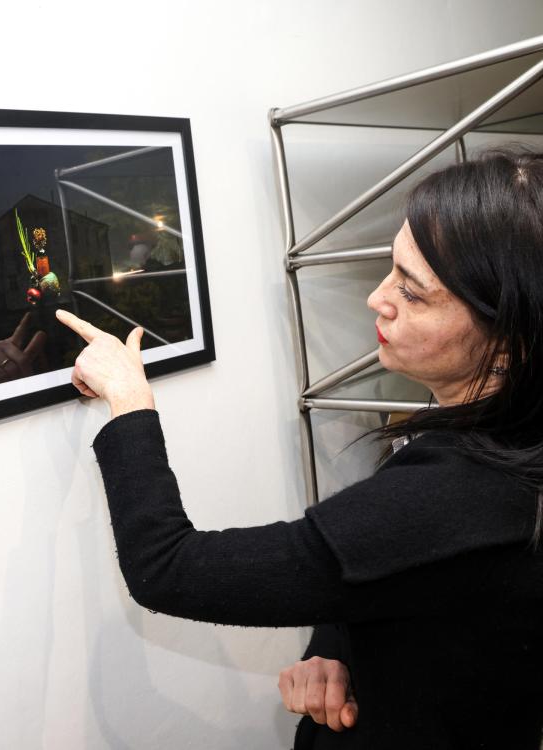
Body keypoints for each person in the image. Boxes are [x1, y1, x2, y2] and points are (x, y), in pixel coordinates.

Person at [55, 149, 543, 749]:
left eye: (413, 293)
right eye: (390, 268)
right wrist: (333, 649)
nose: (378, 298)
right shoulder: (501, 434)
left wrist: (129, 400)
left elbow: (167, 568)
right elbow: (384, 573)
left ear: (509, 341)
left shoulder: (456, 495)